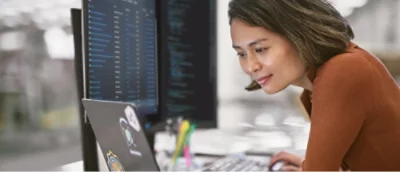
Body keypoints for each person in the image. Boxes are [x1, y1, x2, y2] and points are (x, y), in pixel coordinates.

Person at [228, 0, 400, 171]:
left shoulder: (343, 71)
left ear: (298, 34)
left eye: (260, 49)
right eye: (241, 53)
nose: (250, 66)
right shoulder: (324, 79)